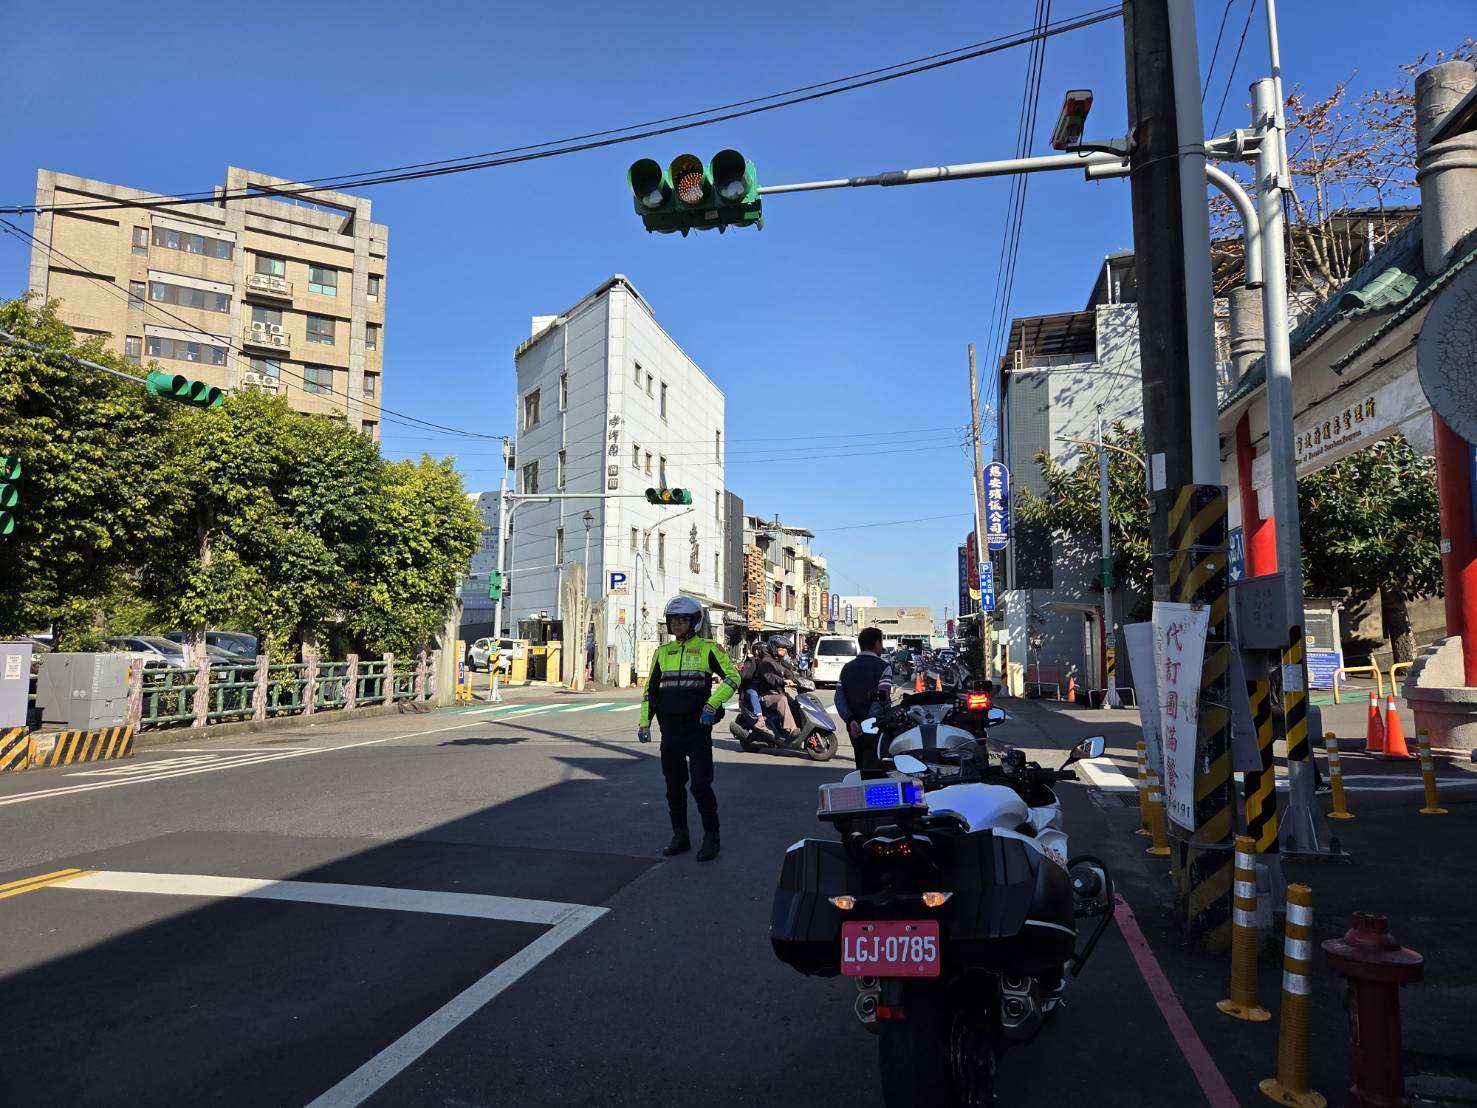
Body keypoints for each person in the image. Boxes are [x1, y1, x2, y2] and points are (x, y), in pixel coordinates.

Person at [637, 596, 741, 862]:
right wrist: (644, 722)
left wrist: (712, 704)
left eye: (682, 620)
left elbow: (733, 677)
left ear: (694, 622)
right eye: (673, 621)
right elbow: (650, 691)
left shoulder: (709, 648)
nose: (677, 625)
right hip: (669, 729)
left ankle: (712, 838)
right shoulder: (662, 653)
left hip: (697, 728)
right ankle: (680, 836)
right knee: (673, 786)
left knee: (700, 786)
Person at [833, 627, 895, 776]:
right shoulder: (883, 667)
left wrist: (851, 720)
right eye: (881, 642)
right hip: (876, 727)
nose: (882, 646)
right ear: (876, 643)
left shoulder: (847, 668)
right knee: (875, 769)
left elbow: (839, 698)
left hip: (853, 729)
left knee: (860, 766)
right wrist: (866, 723)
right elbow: (882, 697)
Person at [752, 634, 799, 737]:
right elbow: (770, 677)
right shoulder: (766, 662)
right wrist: (783, 681)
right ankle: (791, 728)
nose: (784, 651)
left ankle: (799, 726)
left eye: (785, 649)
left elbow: (787, 673)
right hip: (765, 695)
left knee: (796, 703)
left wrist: (795, 679)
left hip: (777, 692)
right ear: (774, 648)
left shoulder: (778, 662)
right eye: (782, 648)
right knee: (782, 699)